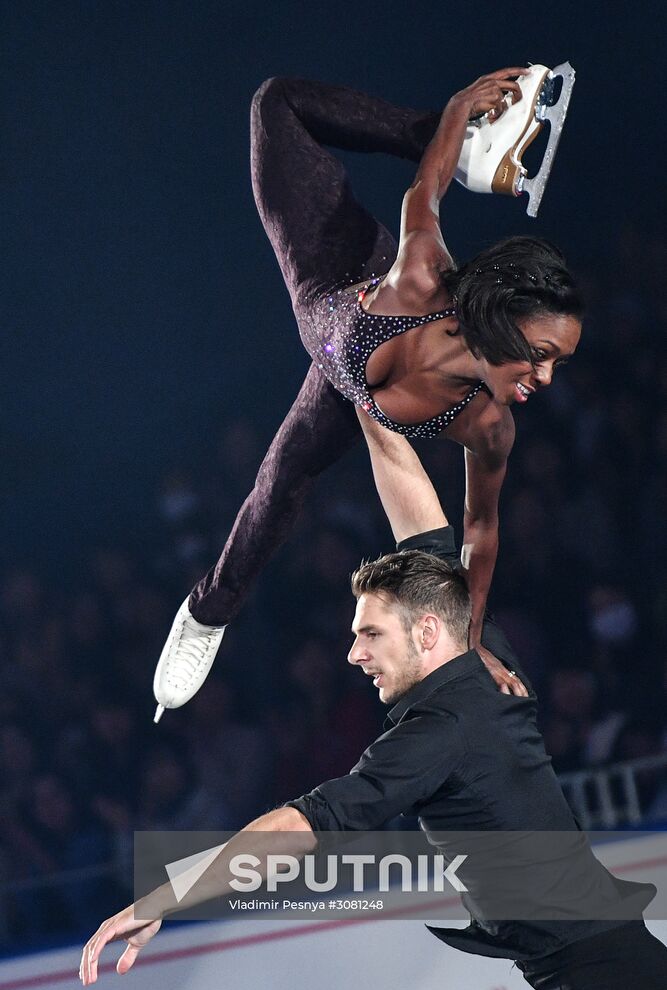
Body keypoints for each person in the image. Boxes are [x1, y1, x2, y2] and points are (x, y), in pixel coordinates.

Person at [81, 417, 666, 990]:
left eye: (371, 634)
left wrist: (165, 898)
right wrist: (364, 404)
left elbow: (301, 826)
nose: (354, 653)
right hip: (611, 963)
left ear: (427, 632)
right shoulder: (477, 645)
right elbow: (421, 525)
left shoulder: (439, 732)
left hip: (602, 981)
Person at [152, 70, 583, 722]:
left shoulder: (488, 426)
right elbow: (424, 190)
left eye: (557, 364)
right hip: (335, 267)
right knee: (275, 101)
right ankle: (469, 148)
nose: (545, 378)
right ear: (504, 320)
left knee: (278, 485)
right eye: (540, 355)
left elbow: (480, 531)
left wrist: (470, 640)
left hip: (342, 381)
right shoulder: (421, 276)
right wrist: (454, 113)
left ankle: (205, 612)